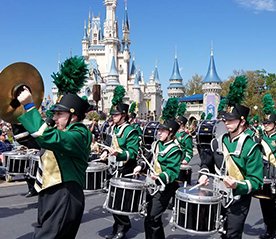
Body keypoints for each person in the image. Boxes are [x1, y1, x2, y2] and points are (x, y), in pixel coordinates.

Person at [17, 87, 92, 239]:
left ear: (74, 116)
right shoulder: (60, 133)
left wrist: (30, 106)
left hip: (65, 193)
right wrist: (17, 110)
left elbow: (44, 135)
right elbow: (26, 137)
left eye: (59, 114)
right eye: (54, 113)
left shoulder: (80, 134)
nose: (54, 118)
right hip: (48, 192)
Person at [198, 104, 263, 239]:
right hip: (219, 195)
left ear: (242, 121)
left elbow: (256, 181)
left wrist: (237, 185)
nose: (226, 123)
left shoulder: (251, 147)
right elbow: (207, 163)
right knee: (221, 232)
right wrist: (204, 173)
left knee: (232, 235)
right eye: (225, 119)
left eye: (231, 119)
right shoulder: (217, 142)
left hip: (239, 199)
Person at [133, 119, 182, 239]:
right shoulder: (156, 144)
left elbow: (172, 172)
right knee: (149, 217)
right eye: (159, 130)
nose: (159, 132)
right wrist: (140, 166)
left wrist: (160, 177)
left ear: (170, 133)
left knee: (153, 217)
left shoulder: (175, 150)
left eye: (163, 130)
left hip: (164, 188)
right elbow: (149, 158)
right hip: (151, 185)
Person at [101, 102, 139, 239]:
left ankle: (123, 226)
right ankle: (118, 226)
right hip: (113, 167)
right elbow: (108, 144)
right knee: (112, 199)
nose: (113, 117)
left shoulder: (130, 131)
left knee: (120, 201)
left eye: (116, 114)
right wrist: (105, 151)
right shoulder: (113, 129)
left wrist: (119, 154)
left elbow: (133, 153)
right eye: (112, 114)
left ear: (124, 115)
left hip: (125, 169)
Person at [258, 113, 276, 239]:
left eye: (268, 123)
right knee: (265, 204)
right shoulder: (260, 138)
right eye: (264, 123)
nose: (266, 125)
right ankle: (269, 228)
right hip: (264, 176)